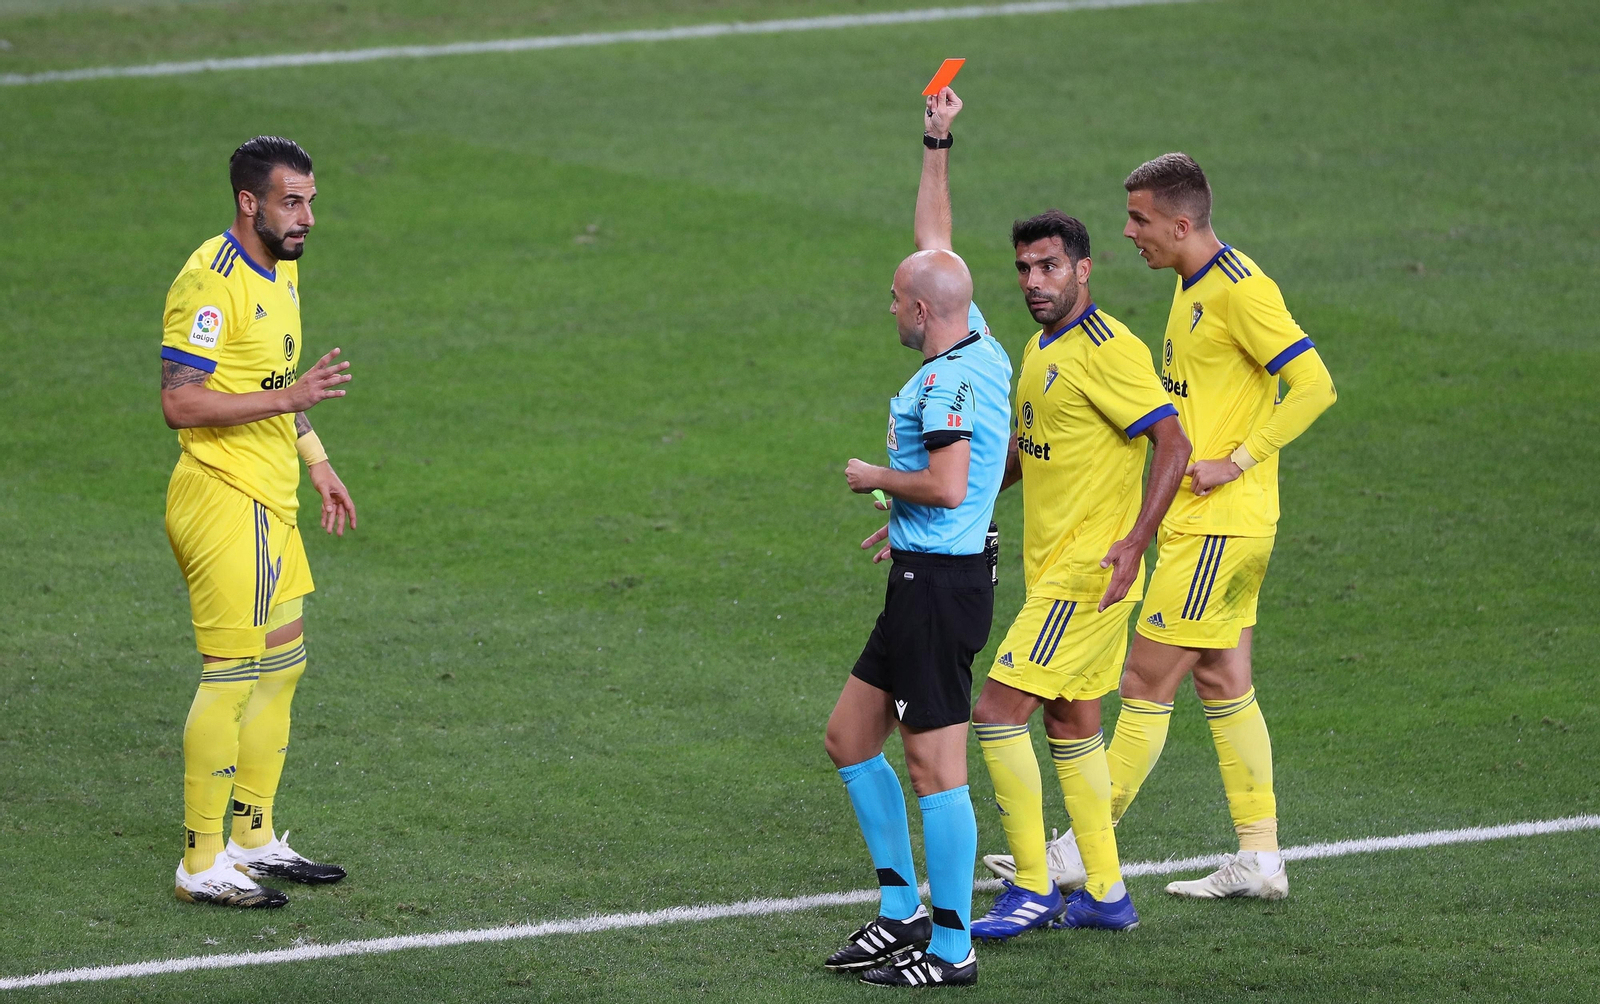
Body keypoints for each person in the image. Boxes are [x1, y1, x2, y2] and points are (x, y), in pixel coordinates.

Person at [896, 94, 1189, 939]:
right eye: (1024, 269)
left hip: (1089, 570)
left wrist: (1136, 542)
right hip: (1062, 566)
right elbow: (1023, 454)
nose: (1033, 282)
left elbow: (1171, 442)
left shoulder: (1109, 351)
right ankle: (1104, 890)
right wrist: (938, 508)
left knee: (995, 714)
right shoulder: (1040, 348)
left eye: (1049, 267)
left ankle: (1030, 885)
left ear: (1083, 270)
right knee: (1073, 723)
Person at [1100, 151, 1338, 899]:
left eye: (1139, 219)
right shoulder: (1189, 285)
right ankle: (1261, 857)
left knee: (1143, 678)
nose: (1128, 231)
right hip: (1211, 526)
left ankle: (1079, 848)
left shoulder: (1241, 289)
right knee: (1223, 678)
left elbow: (1314, 385)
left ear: (1180, 221)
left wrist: (1238, 458)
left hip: (1220, 525)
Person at [818, 88, 1013, 989]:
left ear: (923, 314)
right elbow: (936, 246)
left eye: (896, 300)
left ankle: (952, 944)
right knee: (851, 735)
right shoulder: (979, 337)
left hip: (940, 588)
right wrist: (937, 140)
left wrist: (877, 481)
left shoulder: (942, 387)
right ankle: (901, 910)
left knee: (937, 767)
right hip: (923, 572)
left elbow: (944, 478)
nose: (890, 306)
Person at [160, 136, 357, 908]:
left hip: (270, 496)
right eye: (291, 200)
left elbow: (274, 381)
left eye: (310, 199)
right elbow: (181, 402)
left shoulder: (284, 264)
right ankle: (200, 860)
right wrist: (289, 404)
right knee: (231, 676)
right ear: (250, 201)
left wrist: (315, 459)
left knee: (283, 666)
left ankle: (253, 838)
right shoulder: (211, 285)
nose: (307, 215)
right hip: (219, 497)